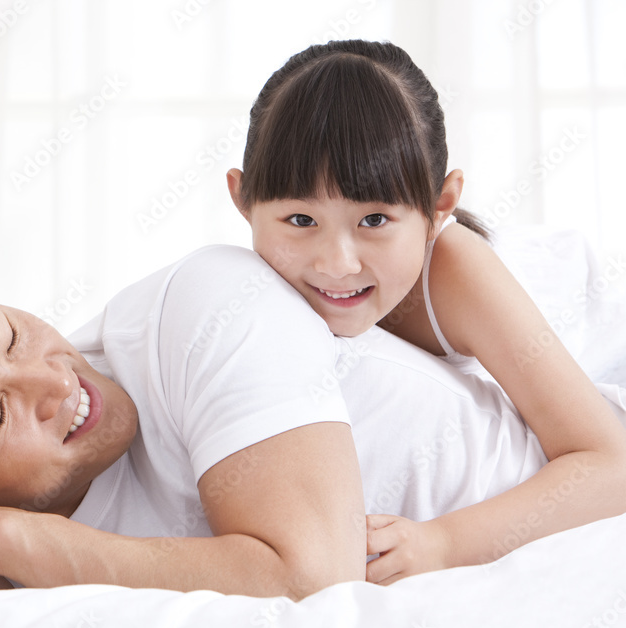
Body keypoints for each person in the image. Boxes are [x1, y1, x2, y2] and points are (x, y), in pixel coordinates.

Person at [0, 245, 626, 626]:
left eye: (5, 331)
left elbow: (312, 574)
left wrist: (7, 538)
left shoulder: (198, 312)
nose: (52, 380)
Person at [225, 39, 626, 585]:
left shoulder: (456, 270)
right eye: (300, 220)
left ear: (441, 206)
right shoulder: (243, 287)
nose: (338, 264)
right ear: (241, 198)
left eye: (374, 220)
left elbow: (612, 464)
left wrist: (443, 542)